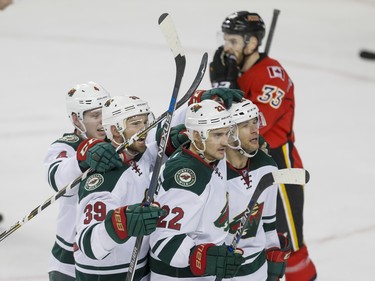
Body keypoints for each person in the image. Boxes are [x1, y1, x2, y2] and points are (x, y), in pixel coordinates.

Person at [209, 11, 317, 280]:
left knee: (287, 243)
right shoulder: (237, 69)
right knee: (246, 238)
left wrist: (227, 89)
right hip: (240, 163)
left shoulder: (272, 76)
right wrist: (221, 90)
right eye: (225, 40)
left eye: (233, 41)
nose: (227, 47)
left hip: (278, 162)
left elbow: (252, 128)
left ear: (252, 42)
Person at [149, 99, 245, 280]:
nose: (225, 142)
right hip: (179, 275)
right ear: (196, 136)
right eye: (217, 135)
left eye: (226, 133)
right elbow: (163, 240)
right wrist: (203, 258)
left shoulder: (208, 155)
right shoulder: (187, 176)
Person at [74, 95, 165, 281]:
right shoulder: (104, 178)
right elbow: (88, 243)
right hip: (104, 274)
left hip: (140, 267)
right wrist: (121, 223)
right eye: (135, 124)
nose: (144, 129)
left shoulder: (141, 153)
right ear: (115, 130)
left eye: (146, 122)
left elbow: (161, 141)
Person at [44, 81, 121, 281]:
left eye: (106, 112)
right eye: (95, 116)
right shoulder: (65, 147)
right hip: (69, 262)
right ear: (76, 120)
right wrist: (82, 157)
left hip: (111, 257)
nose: (103, 120)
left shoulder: (120, 143)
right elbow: (58, 181)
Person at [225, 97, 291, 280]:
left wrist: (274, 260)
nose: (255, 130)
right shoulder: (214, 174)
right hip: (222, 271)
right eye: (245, 125)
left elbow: (269, 225)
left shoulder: (267, 167)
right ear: (229, 132)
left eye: (255, 122)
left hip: (257, 271)